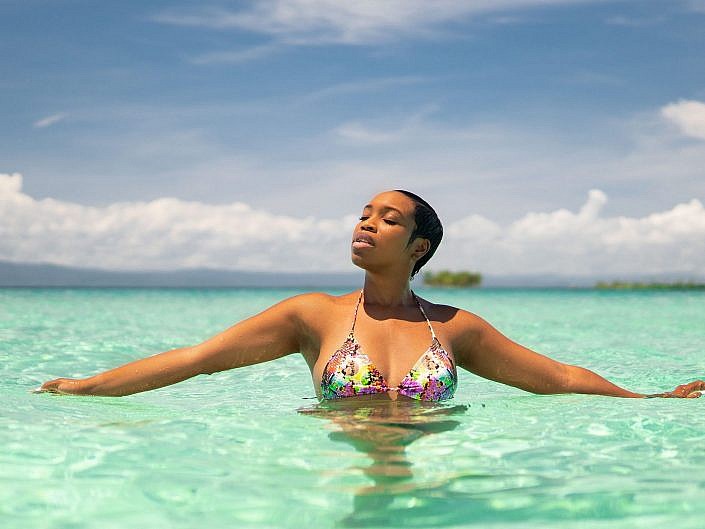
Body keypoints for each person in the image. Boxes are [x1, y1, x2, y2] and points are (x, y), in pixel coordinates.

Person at [39, 190, 704, 400]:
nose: (366, 222)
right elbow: (195, 358)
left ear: (418, 247)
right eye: (363, 212)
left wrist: (646, 400)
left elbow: (554, 376)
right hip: (336, 481)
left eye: (388, 218)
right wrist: (83, 386)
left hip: (429, 488)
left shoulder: (457, 327)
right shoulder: (312, 315)